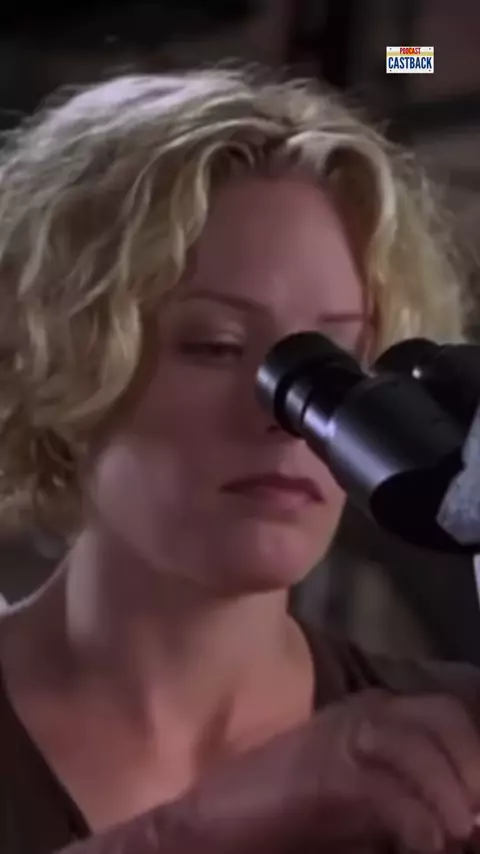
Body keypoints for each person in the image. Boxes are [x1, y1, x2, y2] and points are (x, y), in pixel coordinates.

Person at [0, 67, 479, 854]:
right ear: (64, 357)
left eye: (341, 361)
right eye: (216, 345)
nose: (285, 422)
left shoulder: (450, 743)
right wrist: (195, 830)